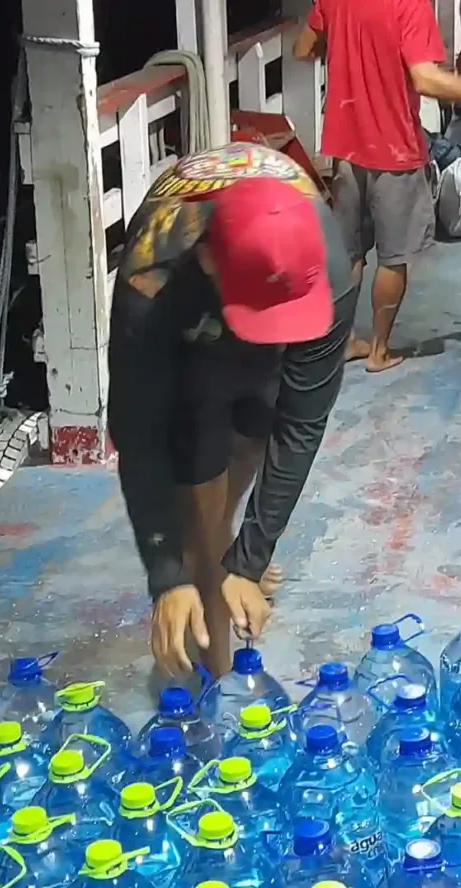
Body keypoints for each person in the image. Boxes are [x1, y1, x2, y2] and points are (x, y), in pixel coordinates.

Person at [107, 143, 357, 678]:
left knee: (258, 433)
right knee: (195, 499)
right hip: (192, 331)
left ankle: (225, 559)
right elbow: (139, 433)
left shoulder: (331, 270)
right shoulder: (151, 282)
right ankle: (215, 677)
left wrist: (250, 558)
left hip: (271, 304)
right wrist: (166, 575)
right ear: (205, 256)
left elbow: (301, 424)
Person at [293, 0, 461, 373]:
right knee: (394, 256)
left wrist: (353, 52)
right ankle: (379, 350)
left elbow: (303, 49)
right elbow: (425, 80)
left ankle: (344, 341)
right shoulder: (409, 4)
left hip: (344, 144)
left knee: (351, 253)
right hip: (394, 148)